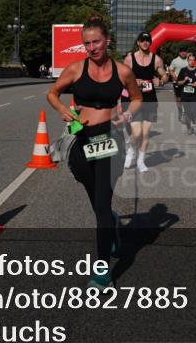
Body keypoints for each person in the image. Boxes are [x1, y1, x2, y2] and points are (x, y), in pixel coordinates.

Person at [47, 16, 141, 290]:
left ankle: (102, 270)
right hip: (81, 138)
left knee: (101, 204)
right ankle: (110, 222)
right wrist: (62, 109)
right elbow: (52, 93)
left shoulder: (123, 71)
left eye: (96, 41)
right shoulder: (76, 69)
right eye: (87, 43)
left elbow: (136, 98)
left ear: (106, 40)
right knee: (96, 200)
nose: (92, 47)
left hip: (110, 139)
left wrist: (126, 117)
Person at [122, 31, 168, 173]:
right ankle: (131, 150)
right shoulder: (130, 59)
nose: (145, 42)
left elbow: (165, 76)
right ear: (138, 42)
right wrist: (133, 81)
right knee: (136, 133)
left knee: (146, 134)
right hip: (134, 99)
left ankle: (141, 161)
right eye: (142, 40)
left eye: (147, 40)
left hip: (150, 100)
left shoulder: (156, 60)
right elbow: (123, 77)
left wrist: (160, 81)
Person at [176, 52, 196, 134]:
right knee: (188, 113)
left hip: (194, 95)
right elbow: (178, 83)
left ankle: (194, 126)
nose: (192, 61)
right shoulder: (183, 70)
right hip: (185, 95)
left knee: (193, 112)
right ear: (187, 61)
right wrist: (184, 80)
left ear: (194, 61)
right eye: (190, 60)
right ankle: (189, 127)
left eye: (193, 60)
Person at [168, 49, 190, 123]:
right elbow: (170, 70)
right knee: (179, 99)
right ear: (179, 52)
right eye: (182, 51)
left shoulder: (188, 60)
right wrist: (174, 76)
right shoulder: (175, 61)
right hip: (177, 82)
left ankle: (184, 113)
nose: (183, 53)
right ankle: (180, 111)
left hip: (186, 82)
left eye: (185, 51)